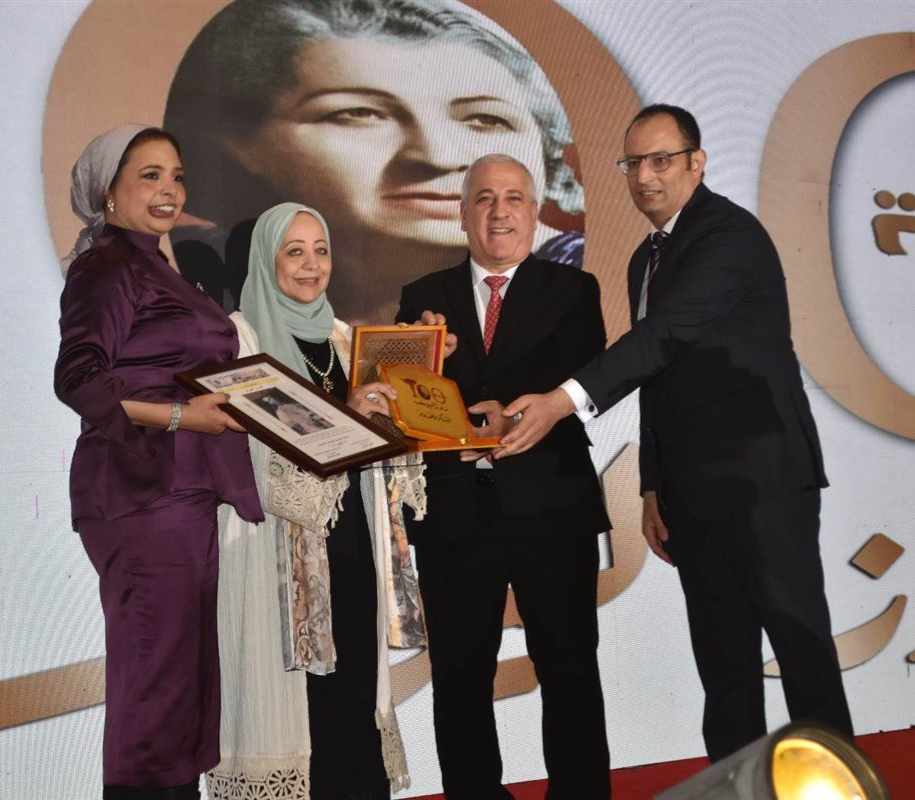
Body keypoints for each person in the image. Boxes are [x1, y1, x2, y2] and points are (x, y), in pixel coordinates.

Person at [496, 105, 855, 761]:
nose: (645, 176)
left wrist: (560, 403)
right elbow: (659, 381)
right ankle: (738, 788)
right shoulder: (647, 258)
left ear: (697, 162)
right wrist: (653, 487)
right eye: (633, 163)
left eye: (661, 160)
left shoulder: (730, 236)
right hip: (692, 499)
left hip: (764, 485)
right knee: (725, 670)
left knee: (801, 653)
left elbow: (660, 339)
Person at [54, 125, 263, 799]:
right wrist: (182, 416)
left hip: (181, 496)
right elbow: (78, 379)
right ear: (108, 193)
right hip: (141, 495)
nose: (169, 189)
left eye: (176, 176)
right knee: (156, 691)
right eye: (149, 175)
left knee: (179, 693)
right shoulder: (107, 266)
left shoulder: (155, 266)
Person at [396, 154, 611, 799]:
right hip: (455, 517)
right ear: (462, 214)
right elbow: (403, 398)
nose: (499, 212)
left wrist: (507, 418)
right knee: (460, 680)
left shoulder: (576, 290)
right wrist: (424, 357)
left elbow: (582, 378)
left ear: (535, 212)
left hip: (553, 513)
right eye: (484, 198)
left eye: (513, 197)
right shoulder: (422, 298)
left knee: (569, 672)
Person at [164, 0, 584, 322]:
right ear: (241, 141)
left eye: (485, 119)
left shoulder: (571, 283)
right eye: (359, 114)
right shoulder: (203, 270)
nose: (438, 157)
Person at [210, 202, 430, 800]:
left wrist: (416, 391)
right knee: (299, 704)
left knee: (354, 694)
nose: (311, 265)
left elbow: (391, 450)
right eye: (295, 251)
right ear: (266, 260)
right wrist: (348, 417)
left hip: (352, 543)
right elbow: (268, 461)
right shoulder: (239, 341)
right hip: (277, 554)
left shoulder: (346, 339)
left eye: (321, 249)